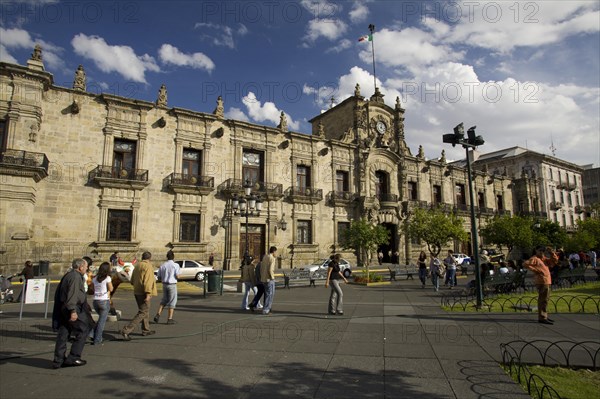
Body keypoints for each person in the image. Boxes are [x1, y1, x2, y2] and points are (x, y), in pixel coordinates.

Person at [52, 258, 94, 368]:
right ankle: (74, 357)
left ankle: (58, 359)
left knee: (64, 331)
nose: (86, 269)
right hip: (72, 308)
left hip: (65, 307)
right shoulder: (75, 277)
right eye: (85, 267)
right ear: (80, 267)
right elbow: (72, 295)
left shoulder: (69, 275)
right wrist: (73, 311)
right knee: (83, 330)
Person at [120, 251, 157, 340]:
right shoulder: (148, 266)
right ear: (150, 258)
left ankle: (146, 329)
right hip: (144, 292)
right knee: (142, 312)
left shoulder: (137, 265)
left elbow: (132, 280)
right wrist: (148, 293)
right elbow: (148, 281)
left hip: (137, 291)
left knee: (145, 311)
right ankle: (127, 330)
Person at [524, 245, 558, 325]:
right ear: (536, 250)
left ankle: (544, 315)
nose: (541, 252)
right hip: (542, 281)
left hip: (546, 280)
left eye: (543, 251)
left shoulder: (544, 259)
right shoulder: (535, 258)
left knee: (545, 299)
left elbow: (554, 261)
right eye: (540, 250)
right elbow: (526, 264)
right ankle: (542, 317)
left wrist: (551, 252)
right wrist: (537, 270)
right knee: (543, 299)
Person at [89, 262, 113, 345]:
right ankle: (97, 339)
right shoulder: (107, 278)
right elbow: (111, 288)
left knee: (101, 319)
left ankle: (92, 333)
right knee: (102, 322)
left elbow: (92, 288)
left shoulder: (95, 278)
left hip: (96, 300)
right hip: (104, 300)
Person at [153, 250, 180, 325]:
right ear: (173, 257)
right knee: (172, 301)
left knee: (164, 300)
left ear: (167, 257)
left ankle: (158, 314)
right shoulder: (176, 265)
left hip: (164, 284)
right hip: (172, 284)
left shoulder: (163, 265)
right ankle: (170, 318)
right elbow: (177, 276)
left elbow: (159, 276)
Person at [260, 246, 277, 315]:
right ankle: (266, 309)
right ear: (274, 252)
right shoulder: (272, 258)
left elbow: (261, 268)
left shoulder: (265, 257)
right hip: (269, 279)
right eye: (276, 252)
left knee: (267, 294)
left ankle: (266, 308)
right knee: (270, 294)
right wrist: (272, 277)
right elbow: (270, 269)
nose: (276, 253)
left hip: (264, 278)